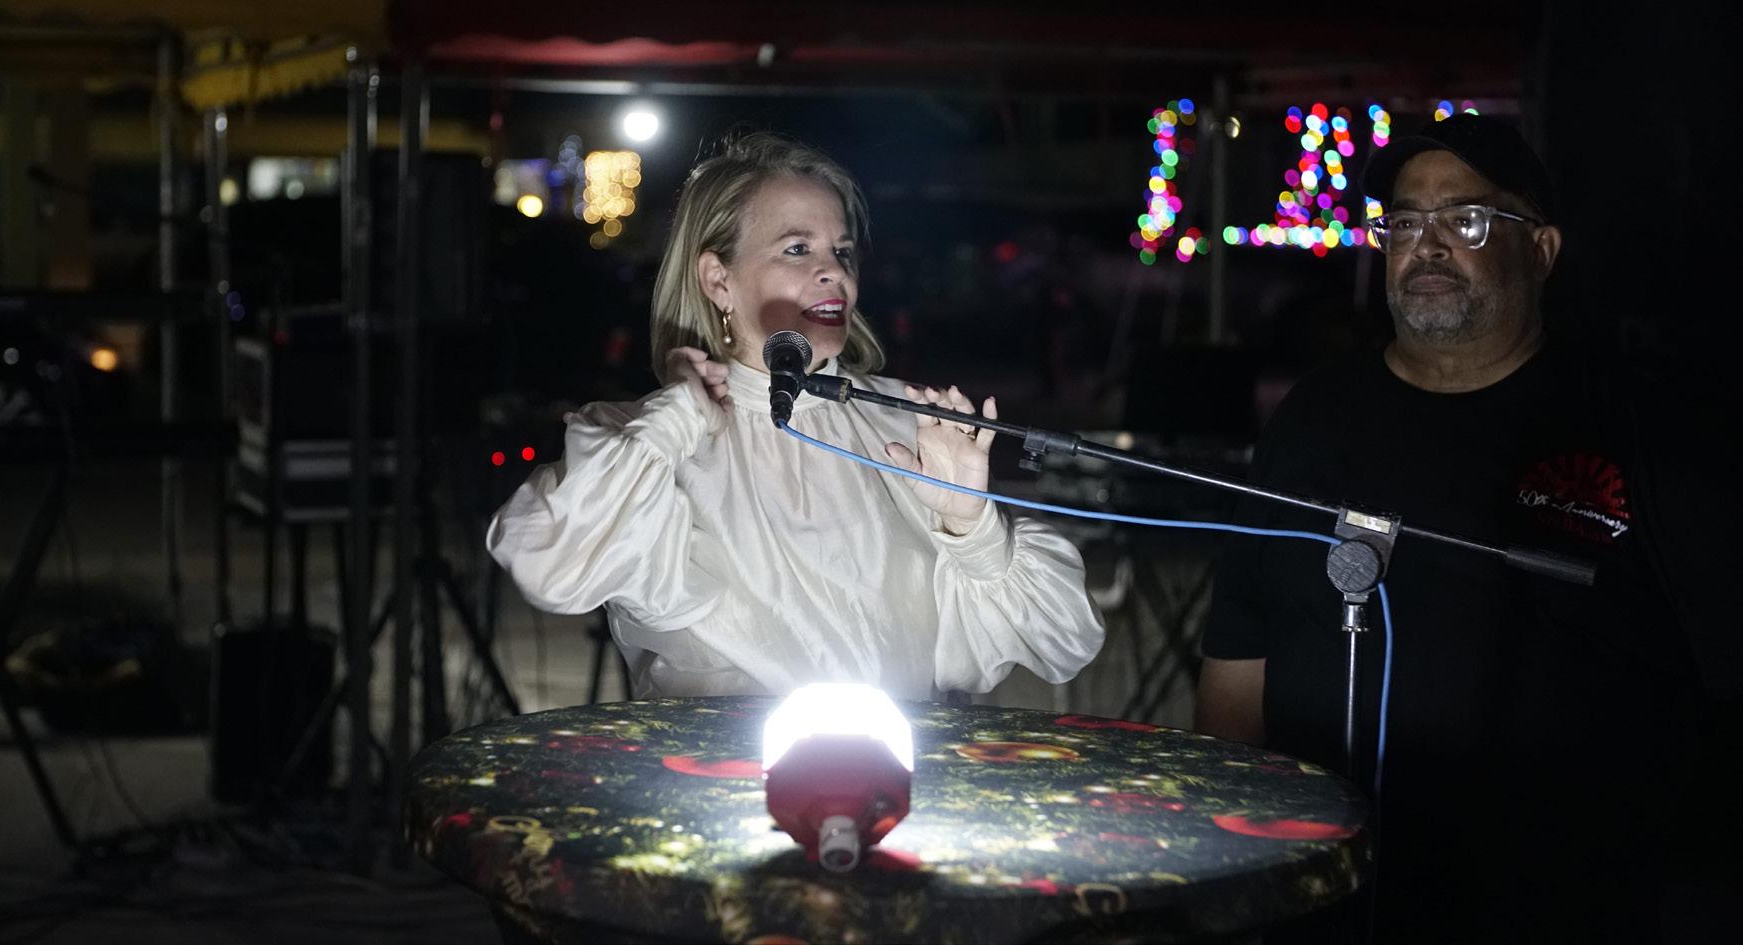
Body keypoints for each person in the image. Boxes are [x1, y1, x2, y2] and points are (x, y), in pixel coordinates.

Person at [1194, 114, 1739, 943]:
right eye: (1404, 223)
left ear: (1541, 250)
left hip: (1564, 910)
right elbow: (1237, 664)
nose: (1428, 245)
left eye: (1467, 219)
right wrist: (1233, 869)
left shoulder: (1633, 425)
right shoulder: (1313, 417)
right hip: (1334, 901)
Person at [487, 132, 1105, 701]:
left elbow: (1065, 642)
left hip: (898, 772)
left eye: (842, 250)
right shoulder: (649, 443)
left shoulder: (908, 424)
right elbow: (548, 565)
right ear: (718, 279)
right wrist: (676, 417)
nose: (834, 271)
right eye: (797, 248)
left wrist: (973, 528)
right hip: (718, 776)